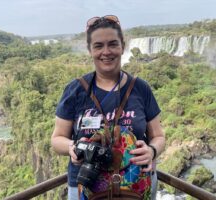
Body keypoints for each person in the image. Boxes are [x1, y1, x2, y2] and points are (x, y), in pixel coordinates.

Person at [51, 15, 165, 200]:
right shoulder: (76, 90)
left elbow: (158, 136)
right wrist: (73, 147)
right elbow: (57, 139)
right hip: (87, 185)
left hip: (137, 186)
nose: (106, 51)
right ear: (90, 50)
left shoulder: (140, 88)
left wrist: (151, 151)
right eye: (98, 46)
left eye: (113, 44)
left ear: (122, 46)